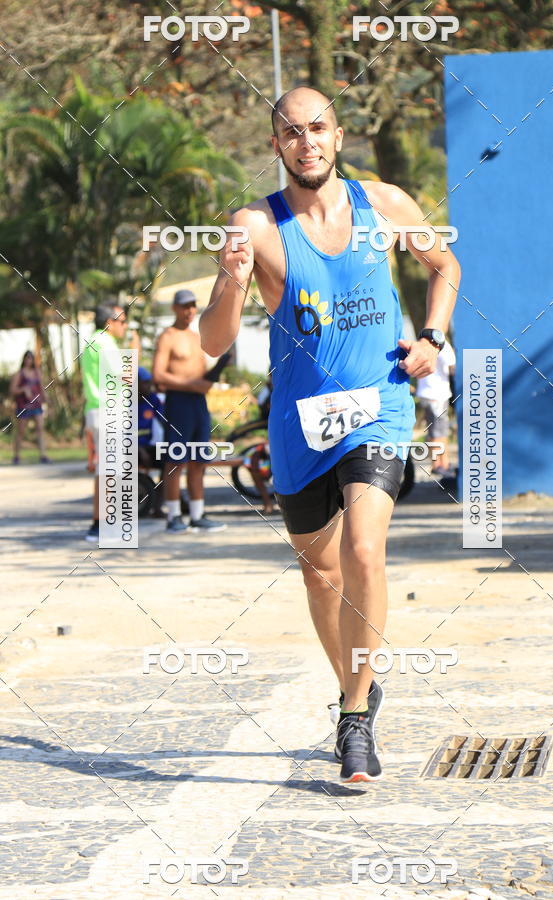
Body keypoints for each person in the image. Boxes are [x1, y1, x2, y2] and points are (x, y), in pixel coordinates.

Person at [200, 86, 460, 783]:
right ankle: (359, 685)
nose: (306, 141)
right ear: (275, 145)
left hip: (379, 407)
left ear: (338, 136)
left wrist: (432, 336)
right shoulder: (254, 225)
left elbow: (445, 266)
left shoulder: (385, 204)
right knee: (321, 576)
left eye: (318, 128)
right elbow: (211, 342)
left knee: (365, 551)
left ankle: (353, 719)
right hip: (299, 423)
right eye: (291, 132)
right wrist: (229, 284)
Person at [152, 289, 226, 534]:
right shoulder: (168, 337)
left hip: (198, 404)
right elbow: (158, 375)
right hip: (178, 402)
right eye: (185, 306)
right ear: (174, 308)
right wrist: (191, 385)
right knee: (175, 460)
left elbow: (204, 373)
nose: (189, 311)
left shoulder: (197, 337)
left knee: (198, 460)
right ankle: (173, 516)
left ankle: (197, 514)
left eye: (193, 306)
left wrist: (212, 376)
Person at [81, 303, 128, 542]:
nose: (125, 326)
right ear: (109, 322)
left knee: (105, 469)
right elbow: (125, 375)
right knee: (112, 469)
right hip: (108, 410)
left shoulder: (91, 340)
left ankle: (99, 523)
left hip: (96, 408)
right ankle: (105, 524)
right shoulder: (106, 342)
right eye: (122, 321)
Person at [416, 339, 456, 476]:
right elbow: (452, 369)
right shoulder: (445, 346)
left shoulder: (421, 342)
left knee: (434, 432)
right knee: (440, 433)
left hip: (425, 393)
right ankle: (441, 464)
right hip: (438, 394)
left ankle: (438, 464)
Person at [9, 351, 49, 464]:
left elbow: (41, 387)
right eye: (27, 358)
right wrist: (23, 389)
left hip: (36, 404)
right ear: (24, 359)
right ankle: (16, 456)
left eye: (31, 358)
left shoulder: (37, 373)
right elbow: (12, 390)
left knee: (40, 428)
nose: (28, 360)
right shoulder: (19, 374)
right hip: (23, 406)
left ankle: (43, 455)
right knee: (21, 431)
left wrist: (46, 399)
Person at [138, 366, 166, 518]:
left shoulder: (153, 399)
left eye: (150, 382)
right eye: (145, 383)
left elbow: (163, 422)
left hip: (149, 447)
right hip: (129, 448)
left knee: (170, 462)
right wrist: (137, 447)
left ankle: (158, 506)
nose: (149, 386)